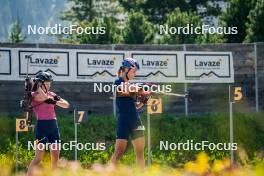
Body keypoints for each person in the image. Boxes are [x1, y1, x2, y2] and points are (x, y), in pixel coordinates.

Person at [110, 58, 151, 169]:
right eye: (134, 71)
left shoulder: (131, 86)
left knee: (140, 154)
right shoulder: (118, 82)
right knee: (118, 152)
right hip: (124, 121)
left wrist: (144, 100)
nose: (135, 74)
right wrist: (143, 88)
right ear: (126, 69)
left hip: (135, 120)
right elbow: (127, 89)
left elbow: (135, 107)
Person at [27, 71, 70, 175]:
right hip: (42, 127)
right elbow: (43, 98)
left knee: (55, 157)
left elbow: (66, 105)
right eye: (46, 83)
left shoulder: (52, 94)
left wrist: (55, 101)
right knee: (38, 158)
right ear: (40, 84)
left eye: (50, 83)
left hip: (53, 127)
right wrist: (35, 85)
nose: (49, 85)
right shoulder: (34, 95)